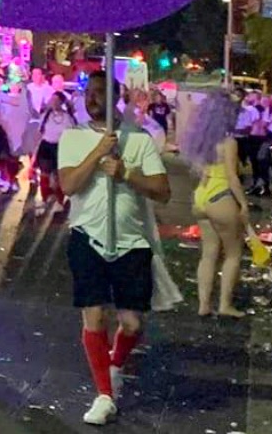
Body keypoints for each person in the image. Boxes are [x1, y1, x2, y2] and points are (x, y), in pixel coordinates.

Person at [57, 73, 171, 426]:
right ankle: (104, 395)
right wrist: (97, 152)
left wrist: (126, 173)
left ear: (116, 96)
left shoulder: (139, 139)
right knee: (94, 315)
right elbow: (69, 185)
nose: (92, 99)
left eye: (100, 93)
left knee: (132, 323)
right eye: (88, 93)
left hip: (131, 242)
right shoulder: (73, 137)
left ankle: (115, 364)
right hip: (87, 237)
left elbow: (162, 190)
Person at [180, 91, 251, 316]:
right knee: (233, 253)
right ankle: (224, 305)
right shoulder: (229, 142)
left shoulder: (204, 141)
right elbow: (232, 176)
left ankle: (203, 305)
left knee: (208, 252)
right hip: (222, 196)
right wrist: (243, 204)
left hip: (202, 195)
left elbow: (202, 172)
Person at [34, 90, 76, 217]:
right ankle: (44, 199)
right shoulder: (46, 115)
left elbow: (73, 134)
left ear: (62, 102)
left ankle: (59, 201)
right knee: (45, 175)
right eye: (52, 100)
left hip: (61, 148)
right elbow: (39, 132)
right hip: (46, 146)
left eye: (57, 100)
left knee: (57, 177)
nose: (53, 103)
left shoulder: (68, 118)